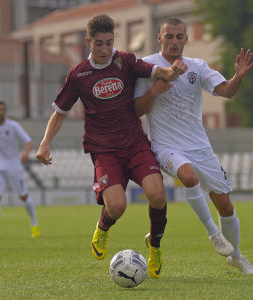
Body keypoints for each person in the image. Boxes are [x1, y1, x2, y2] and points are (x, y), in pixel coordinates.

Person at [36, 14, 187, 278]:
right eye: (98, 44)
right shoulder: (78, 74)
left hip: (134, 143)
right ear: (88, 42)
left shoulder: (125, 61)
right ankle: (103, 228)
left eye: (109, 43)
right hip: (104, 149)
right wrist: (45, 142)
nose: (105, 49)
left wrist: (173, 70)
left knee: (157, 194)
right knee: (117, 206)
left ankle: (155, 244)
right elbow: (59, 112)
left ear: (113, 41)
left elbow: (157, 72)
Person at [134, 18, 253, 274]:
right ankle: (213, 234)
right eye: (169, 36)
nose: (174, 41)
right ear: (159, 38)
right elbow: (136, 110)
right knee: (188, 176)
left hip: (200, 147)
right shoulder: (148, 66)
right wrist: (153, 92)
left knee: (226, 206)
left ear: (186, 39)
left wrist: (238, 76)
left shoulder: (197, 67)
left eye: (179, 37)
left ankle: (236, 256)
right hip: (165, 146)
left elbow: (226, 92)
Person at [0, 101, 41, 239]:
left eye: (1, 109)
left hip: (14, 166)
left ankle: (34, 225)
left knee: (23, 195)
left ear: (5, 112)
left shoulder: (13, 126)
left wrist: (26, 153)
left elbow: (28, 142)